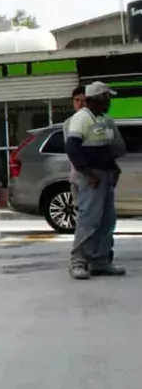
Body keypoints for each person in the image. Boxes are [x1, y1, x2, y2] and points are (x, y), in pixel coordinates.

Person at [66, 82, 126, 280]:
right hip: (92, 178)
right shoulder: (82, 118)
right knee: (89, 220)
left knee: (107, 221)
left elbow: (107, 150)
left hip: (105, 175)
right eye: (107, 97)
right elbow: (73, 149)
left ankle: (100, 262)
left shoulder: (103, 119)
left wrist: (114, 169)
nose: (110, 101)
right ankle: (78, 262)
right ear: (97, 98)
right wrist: (88, 173)